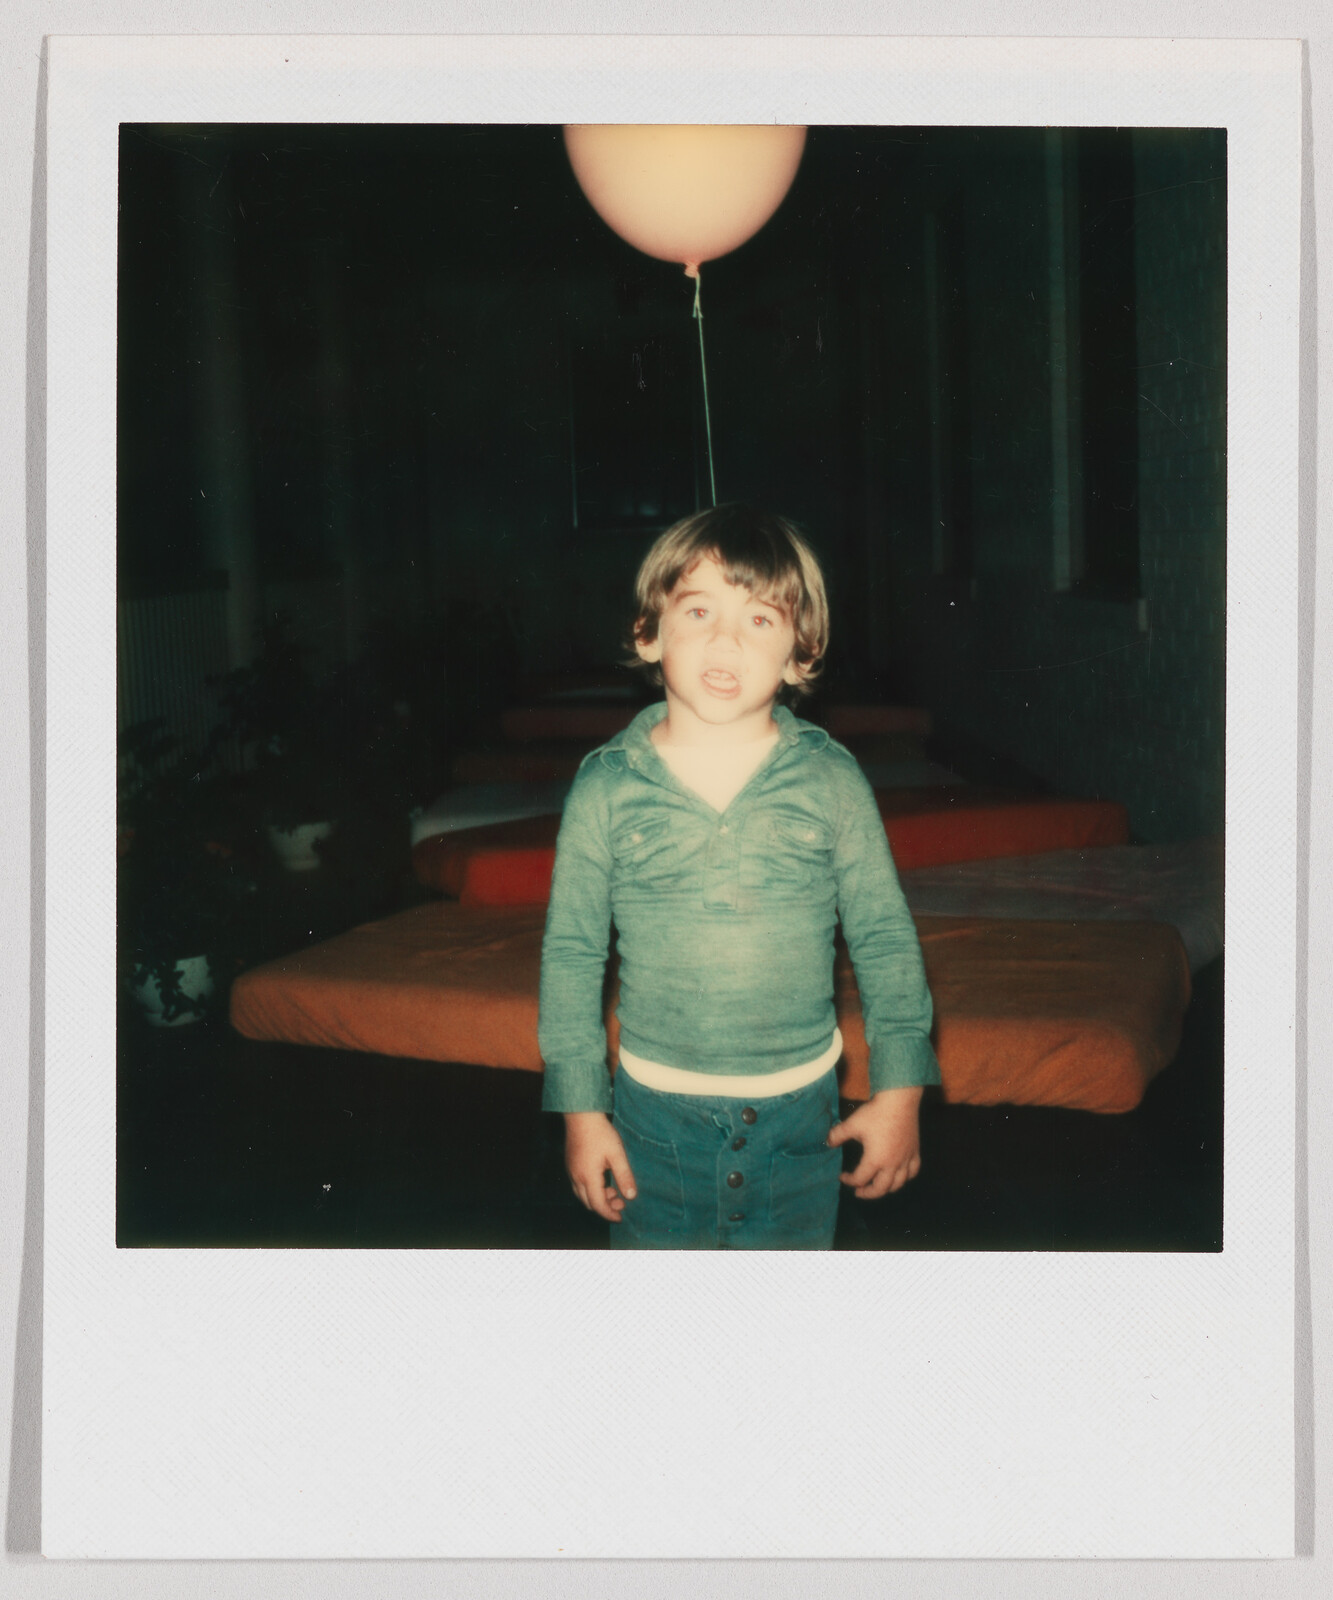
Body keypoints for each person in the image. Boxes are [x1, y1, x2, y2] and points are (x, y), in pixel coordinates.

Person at [538, 504, 939, 1249]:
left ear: (800, 655)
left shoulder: (831, 779)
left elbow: (883, 936)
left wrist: (901, 1093)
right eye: (698, 609)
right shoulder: (605, 787)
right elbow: (571, 955)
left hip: (803, 1120)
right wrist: (580, 1113)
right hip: (651, 1120)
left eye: (760, 619)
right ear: (647, 633)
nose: (725, 637)